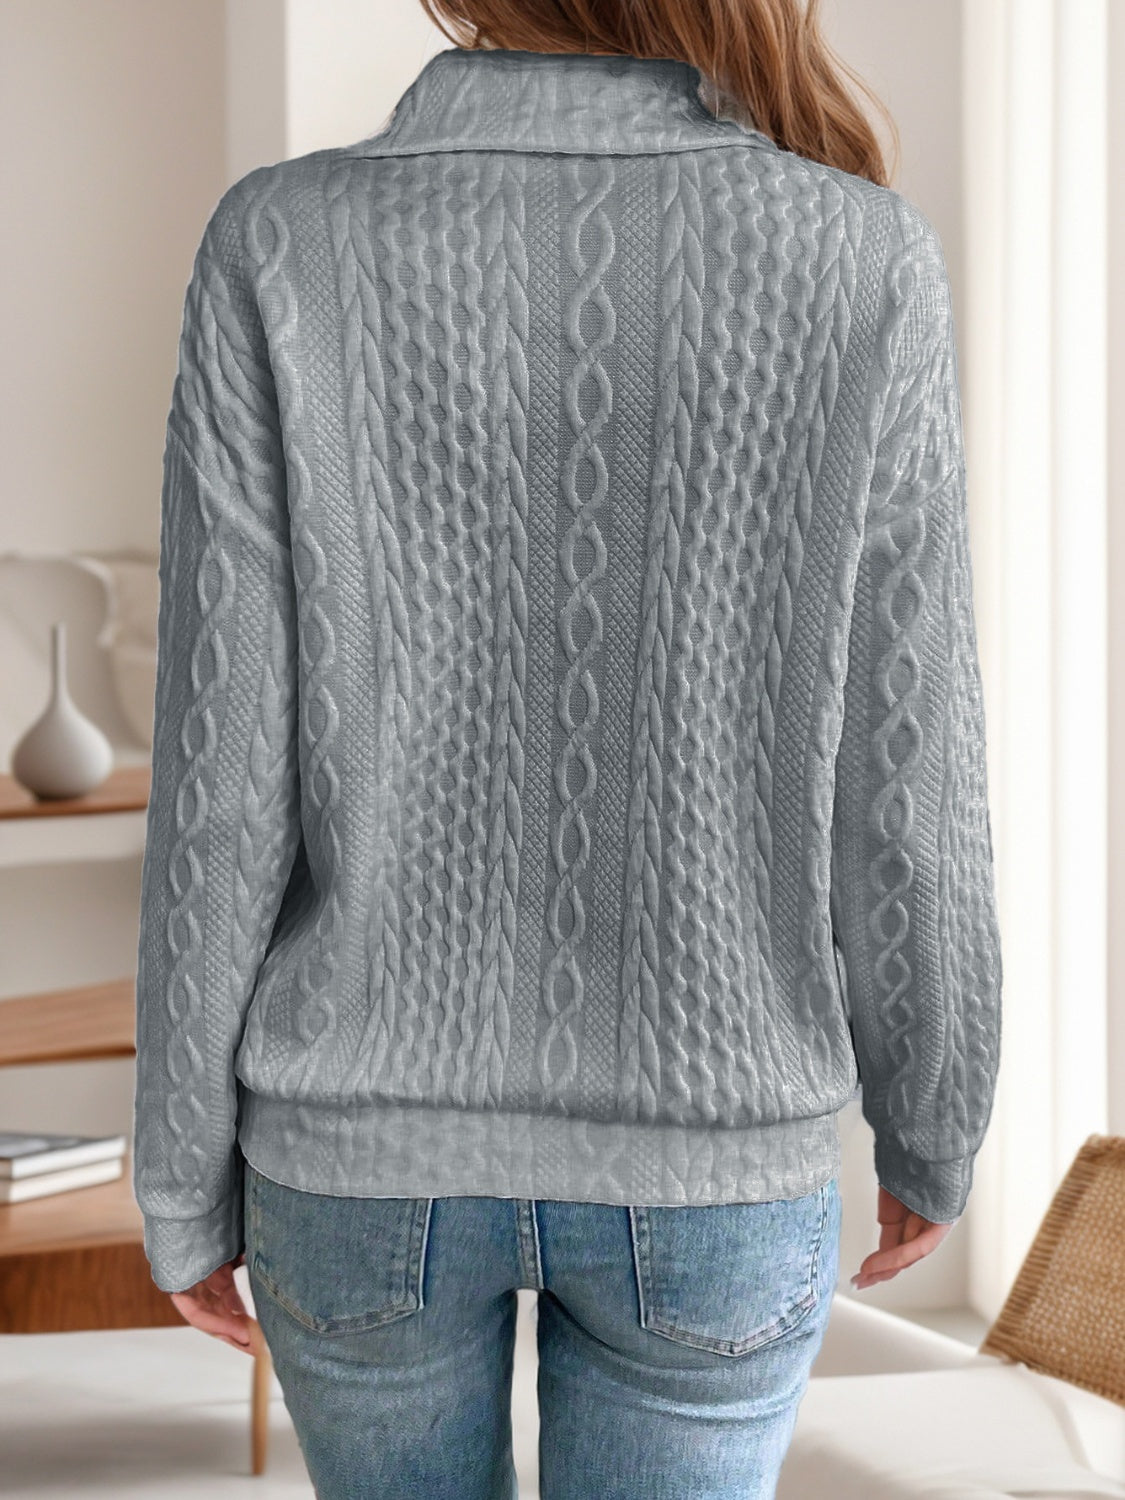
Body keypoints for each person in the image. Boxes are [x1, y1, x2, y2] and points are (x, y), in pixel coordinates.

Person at [132, 2, 1003, 1496]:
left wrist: (176, 1173)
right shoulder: (864, 257)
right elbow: (908, 775)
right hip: (716, 1160)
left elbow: (220, 783)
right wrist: (935, 1114)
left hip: (359, 1163)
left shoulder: (282, 240)